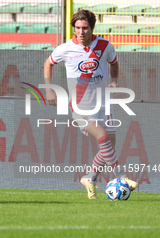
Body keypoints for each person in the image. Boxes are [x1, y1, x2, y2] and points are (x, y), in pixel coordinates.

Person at [44, 10, 138, 199]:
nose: (80, 32)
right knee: (102, 137)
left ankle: (90, 179)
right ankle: (121, 177)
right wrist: (49, 89)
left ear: (92, 28)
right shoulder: (65, 48)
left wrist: (114, 81)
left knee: (108, 145)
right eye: (77, 28)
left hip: (104, 103)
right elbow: (48, 63)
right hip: (81, 106)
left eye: (84, 28)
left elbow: (114, 62)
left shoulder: (104, 45)